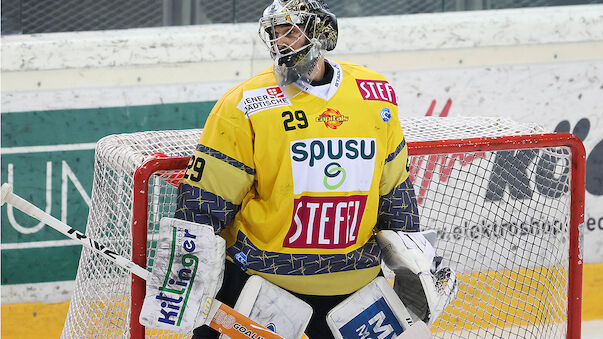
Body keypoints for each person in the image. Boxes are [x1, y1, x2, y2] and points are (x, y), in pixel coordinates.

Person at [174, 0, 421, 337]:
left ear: (322, 32)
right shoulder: (245, 102)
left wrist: (414, 267)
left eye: (289, 30)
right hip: (261, 282)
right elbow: (205, 198)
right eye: (274, 33)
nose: (280, 43)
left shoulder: (373, 92)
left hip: (356, 281)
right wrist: (182, 277)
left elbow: (394, 188)